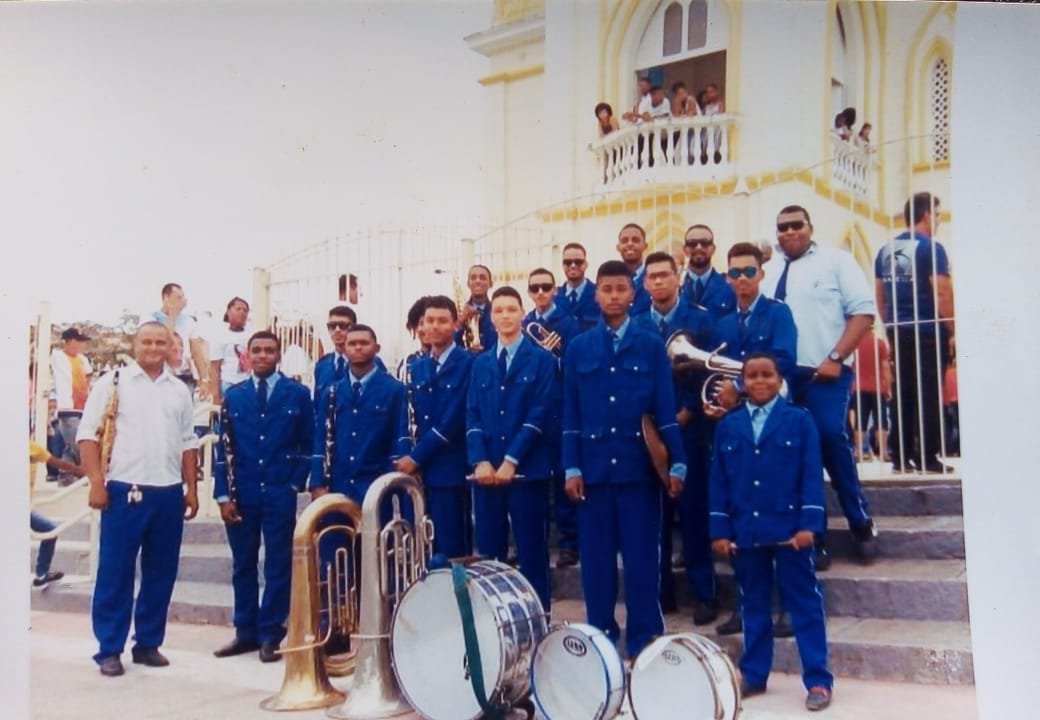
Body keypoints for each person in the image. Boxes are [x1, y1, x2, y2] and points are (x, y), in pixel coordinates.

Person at [562, 260, 687, 659]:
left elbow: (664, 409)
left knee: (642, 561)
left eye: (621, 289)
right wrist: (572, 466)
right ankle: (601, 637)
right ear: (596, 294)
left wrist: (677, 462)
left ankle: (644, 639)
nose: (614, 296)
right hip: (594, 471)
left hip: (639, 471)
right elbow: (571, 413)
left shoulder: (650, 345)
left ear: (633, 294)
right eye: (607, 289)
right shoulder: (579, 347)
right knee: (596, 565)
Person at [709, 353, 833, 712]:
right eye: (752, 376)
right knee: (753, 603)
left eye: (767, 375)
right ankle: (754, 673)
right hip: (747, 530)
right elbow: (718, 481)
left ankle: (818, 680)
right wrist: (720, 529)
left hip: (790, 531)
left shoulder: (799, 421)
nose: (760, 381)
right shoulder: (729, 425)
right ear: (743, 382)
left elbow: (811, 476)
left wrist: (810, 526)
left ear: (780, 380)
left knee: (804, 603)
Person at [76, 322, 200, 677]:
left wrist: (191, 488)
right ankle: (109, 649)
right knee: (115, 571)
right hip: (124, 490)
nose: (154, 348)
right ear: (135, 344)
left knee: (161, 572)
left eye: (161, 342)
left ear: (170, 346)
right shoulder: (113, 382)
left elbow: (188, 441)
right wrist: (96, 483)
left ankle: (147, 643)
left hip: (168, 492)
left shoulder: (179, 390)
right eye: (147, 341)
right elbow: (87, 435)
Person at [761, 204, 878, 565]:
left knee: (829, 436)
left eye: (796, 225)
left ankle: (860, 521)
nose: (789, 232)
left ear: (810, 227)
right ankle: (816, 534)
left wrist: (836, 358)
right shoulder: (769, 270)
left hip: (826, 372)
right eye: (782, 227)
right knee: (795, 452)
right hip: (784, 379)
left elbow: (863, 313)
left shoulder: (836, 261)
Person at [704, 241, 798, 636]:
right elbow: (712, 370)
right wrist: (718, 403)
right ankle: (747, 607)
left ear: (761, 273)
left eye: (749, 271)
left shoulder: (778, 313)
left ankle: (789, 607)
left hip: (773, 421)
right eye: (735, 273)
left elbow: (784, 360)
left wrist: (739, 387)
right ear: (727, 277)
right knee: (742, 515)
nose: (742, 279)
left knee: (779, 511)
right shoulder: (723, 323)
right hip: (738, 426)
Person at [212, 331, 314, 663]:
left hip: (279, 491)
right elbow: (222, 449)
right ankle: (245, 632)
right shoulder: (234, 396)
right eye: (256, 350)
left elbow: (308, 444)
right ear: (248, 355)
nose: (262, 356)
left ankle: (271, 634)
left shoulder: (297, 394)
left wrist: (294, 484)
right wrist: (223, 495)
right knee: (243, 563)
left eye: (269, 350)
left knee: (278, 564)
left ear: (278, 355)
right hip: (242, 493)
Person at [632, 251, 716, 623]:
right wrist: (652, 425)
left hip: (689, 429)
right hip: (648, 434)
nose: (658, 281)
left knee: (694, 513)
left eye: (665, 275)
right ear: (645, 283)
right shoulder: (636, 324)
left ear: (677, 277)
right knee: (654, 518)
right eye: (652, 277)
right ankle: (661, 592)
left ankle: (705, 594)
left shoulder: (700, 320)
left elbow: (711, 372)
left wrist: (687, 412)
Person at [467, 287, 556, 610]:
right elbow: (473, 413)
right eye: (499, 310)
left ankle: (539, 615)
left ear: (522, 313)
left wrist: (511, 460)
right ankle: (495, 619)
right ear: (491, 318)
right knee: (490, 551)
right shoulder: (481, 363)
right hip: (486, 474)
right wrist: (480, 459)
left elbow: (540, 413)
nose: (505, 316)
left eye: (511, 309)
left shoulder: (543, 360)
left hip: (525, 471)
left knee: (532, 549)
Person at [874, 192, 955, 474]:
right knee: (929, 392)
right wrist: (953, 329)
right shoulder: (931, 248)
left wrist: (890, 324)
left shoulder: (888, 251)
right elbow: (941, 291)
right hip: (928, 329)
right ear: (926, 215)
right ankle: (927, 456)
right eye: (938, 215)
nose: (939, 221)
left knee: (904, 392)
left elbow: (881, 295)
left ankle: (900, 455)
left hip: (900, 330)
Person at [395, 296, 474, 558]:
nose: (435, 326)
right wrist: (406, 457)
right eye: (429, 320)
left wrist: (416, 457)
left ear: (455, 325)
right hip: (415, 475)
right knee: (417, 551)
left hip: (449, 470)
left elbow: (453, 420)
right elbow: (406, 416)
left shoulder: (469, 363)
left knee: (452, 552)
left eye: (442, 320)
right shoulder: (416, 367)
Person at [311, 324, 410, 505]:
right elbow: (321, 440)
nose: (358, 347)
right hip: (337, 487)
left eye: (364, 343)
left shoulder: (395, 390)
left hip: (377, 488)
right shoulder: (332, 392)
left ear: (377, 348)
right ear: (344, 348)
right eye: (352, 343)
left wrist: (393, 480)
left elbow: (399, 438)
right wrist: (317, 483)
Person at [524, 268, 582, 568]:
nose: (540, 293)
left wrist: (552, 358)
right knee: (534, 474)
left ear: (555, 290)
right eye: (535, 288)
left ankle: (570, 542)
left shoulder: (568, 323)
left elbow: (574, 365)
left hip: (558, 403)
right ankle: (535, 541)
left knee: (562, 475)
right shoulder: (526, 323)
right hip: (532, 405)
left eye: (546, 287)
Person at [29, 440, 86, 587]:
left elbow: (58, 463)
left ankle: (42, 573)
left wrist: (83, 472)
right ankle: (41, 573)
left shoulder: (33, 448)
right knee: (49, 529)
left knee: (50, 530)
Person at [147, 283, 211, 398]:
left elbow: (196, 352)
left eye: (183, 297)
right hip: (160, 375)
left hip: (184, 375)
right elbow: (165, 339)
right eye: (178, 297)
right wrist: (172, 313)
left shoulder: (188, 321)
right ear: (166, 297)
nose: (182, 301)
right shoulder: (151, 318)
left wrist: (204, 379)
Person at [49, 327, 93, 485]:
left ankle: (65, 474)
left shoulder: (82, 359)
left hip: (81, 406)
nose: (81, 345)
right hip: (67, 407)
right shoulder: (58, 356)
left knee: (70, 444)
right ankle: (84, 471)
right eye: (78, 341)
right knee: (77, 442)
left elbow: (88, 374)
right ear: (69, 341)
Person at [680, 224, 737, 320]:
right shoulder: (675, 288)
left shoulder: (730, 288)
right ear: (685, 250)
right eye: (692, 243)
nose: (698, 247)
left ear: (713, 249)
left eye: (704, 243)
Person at [850, 332, 892, 463]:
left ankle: (858, 451)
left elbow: (851, 366)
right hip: (877, 387)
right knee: (881, 421)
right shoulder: (879, 343)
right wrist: (888, 387)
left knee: (860, 422)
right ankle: (884, 452)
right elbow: (885, 367)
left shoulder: (854, 344)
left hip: (859, 387)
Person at [208, 296, 251, 403]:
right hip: (228, 384)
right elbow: (215, 368)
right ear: (228, 312)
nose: (242, 312)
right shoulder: (220, 336)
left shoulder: (252, 335)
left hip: (248, 384)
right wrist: (216, 397)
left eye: (245, 310)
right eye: (238, 309)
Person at [312, 305, 358, 403]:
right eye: (332, 326)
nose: (337, 330)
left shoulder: (368, 363)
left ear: (354, 328)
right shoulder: (322, 366)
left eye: (343, 326)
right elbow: (318, 403)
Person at [556, 242, 600, 331]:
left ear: (586, 264)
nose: (573, 266)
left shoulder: (600, 294)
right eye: (568, 262)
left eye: (578, 262)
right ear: (563, 265)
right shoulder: (554, 297)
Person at [455, 264, 496, 353]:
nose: (478, 281)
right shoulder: (458, 312)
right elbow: (450, 343)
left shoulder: (497, 311)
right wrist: (461, 321)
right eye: (473, 278)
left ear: (490, 284)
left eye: (482, 278)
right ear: (468, 283)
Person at [617, 223, 652, 315]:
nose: (630, 244)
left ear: (645, 246)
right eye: (624, 241)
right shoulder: (611, 280)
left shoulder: (653, 278)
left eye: (635, 240)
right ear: (618, 247)